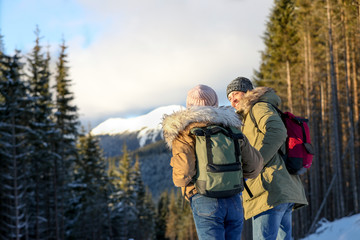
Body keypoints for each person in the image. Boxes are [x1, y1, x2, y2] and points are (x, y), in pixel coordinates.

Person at [162, 84, 263, 240]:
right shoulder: (232, 128)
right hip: (234, 198)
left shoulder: (184, 132)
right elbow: (255, 166)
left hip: (204, 198)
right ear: (215, 104)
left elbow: (183, 173)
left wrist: (186, 187)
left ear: (189, 105)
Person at [226, 77, 308, 240]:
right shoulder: (249, 115)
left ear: (248, 93)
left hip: (270, 188)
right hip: (280, 188)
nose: (233, 100)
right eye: (229, 97)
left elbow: (277, 131)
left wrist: (257, 162)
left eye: (236, 93)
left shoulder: (258, 107)